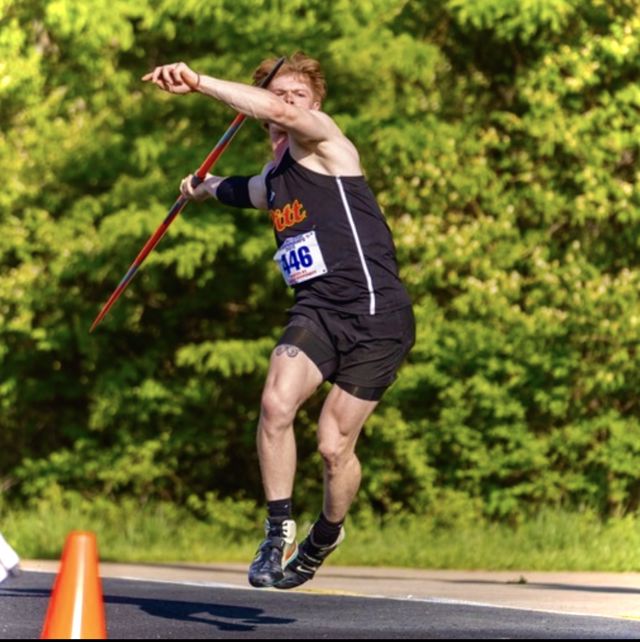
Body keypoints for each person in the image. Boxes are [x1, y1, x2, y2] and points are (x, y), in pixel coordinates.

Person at [142, 52, 415, 590]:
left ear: (313, 104)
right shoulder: (275, 178)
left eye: (297, 95)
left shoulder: (326, 141)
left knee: (333, 445)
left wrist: (197, 82)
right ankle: (277, 530)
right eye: (278, 94)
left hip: (375, 312)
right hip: (318, 310)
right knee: (275, 403)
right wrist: (204, 187)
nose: (288, 103)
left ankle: (327, 532)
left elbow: (286, 116)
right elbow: (244, 191)